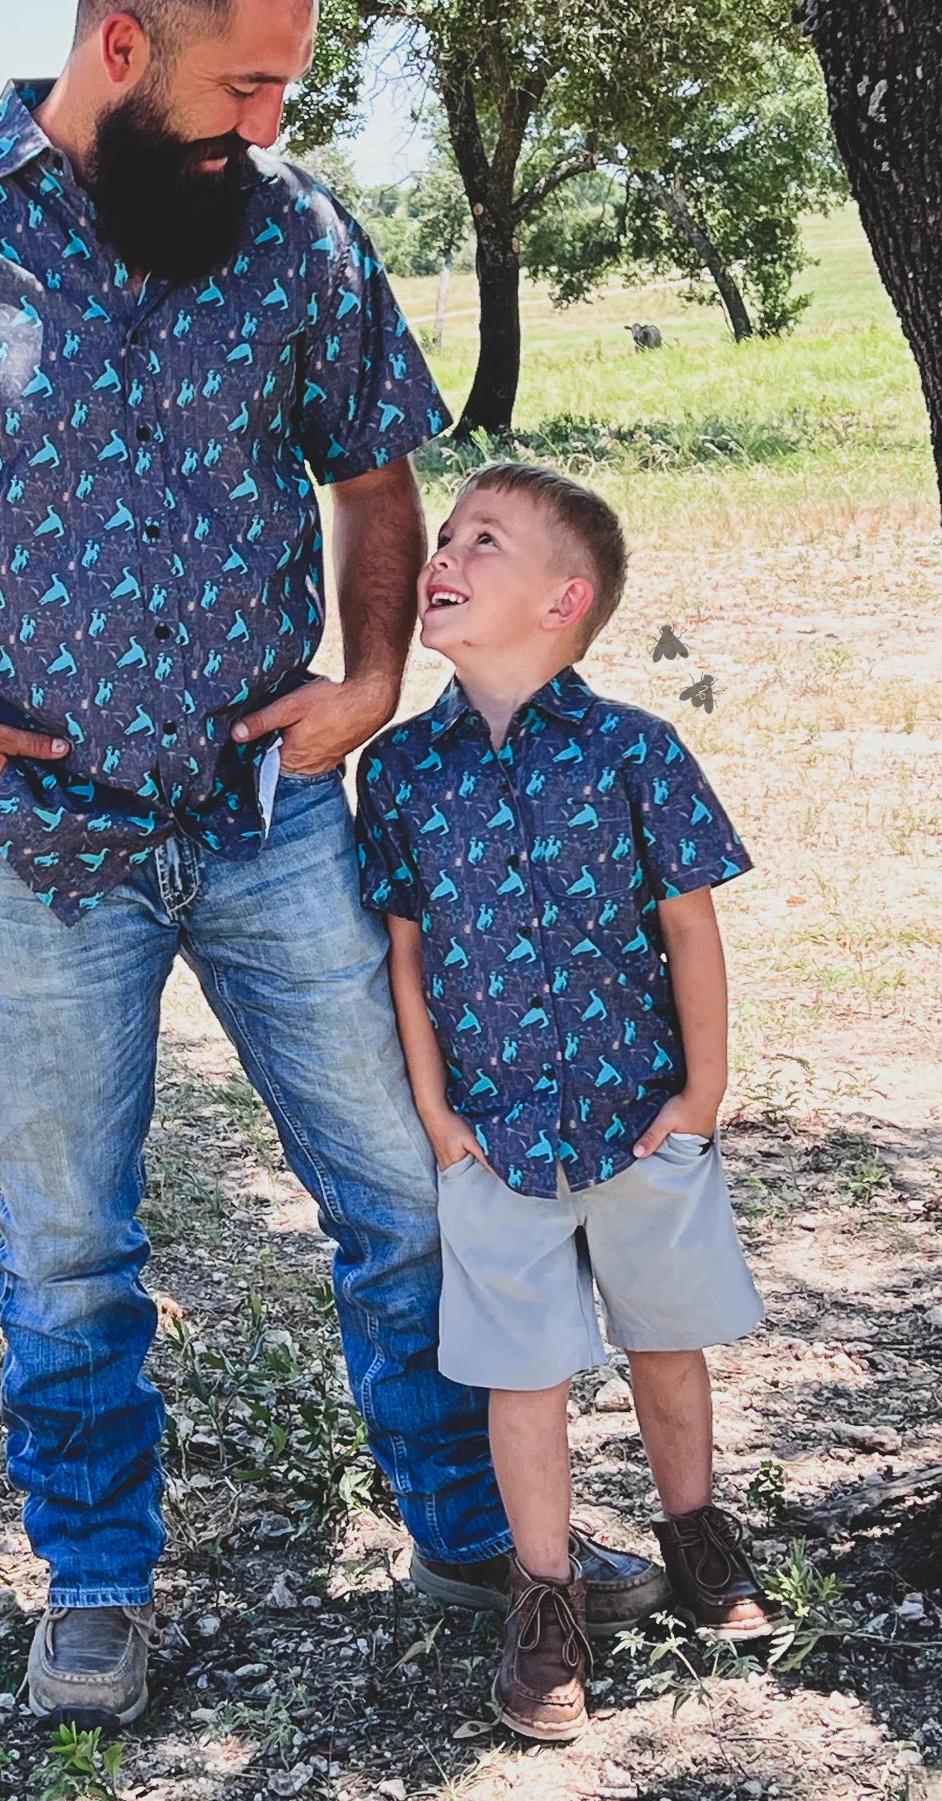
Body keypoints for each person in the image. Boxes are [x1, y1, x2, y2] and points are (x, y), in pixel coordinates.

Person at [0, 0, 666, 1731]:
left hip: (272, 824)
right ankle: (92, 1580)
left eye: (290, 93)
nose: (271, 123)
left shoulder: (296, 233)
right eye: (246, 87)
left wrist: (373, 677)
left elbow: (377, 477)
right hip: (39, 855)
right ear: (122, 45)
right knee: (70, 1233)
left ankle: (471, 1530)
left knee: (405, 1190)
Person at [357, 460, 777, 1745]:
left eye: (485, 541)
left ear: (563, 599)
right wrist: (436, 1111)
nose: (446, 555)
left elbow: (689, 927)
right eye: (447, 537)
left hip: (638, 1114)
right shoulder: (404, 771)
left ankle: (694, 1529)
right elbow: (407, 950)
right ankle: (545, 1601)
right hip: (493, 1132)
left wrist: (702, 1092)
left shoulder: (634, 749)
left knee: (665, 1336)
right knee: (521, 1371)